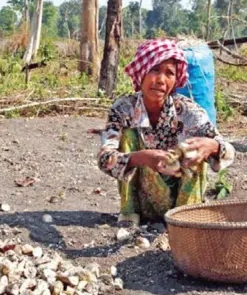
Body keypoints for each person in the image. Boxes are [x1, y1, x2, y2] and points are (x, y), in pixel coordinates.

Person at [97, 39, 235, 226]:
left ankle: (184, 220)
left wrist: (213, 146)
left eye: (169, 73)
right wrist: (142, 158)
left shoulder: (188, 111)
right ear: (142, 72)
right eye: (155, 69)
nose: (161, 80)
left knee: (196, 147)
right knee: (128, 134)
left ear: (175, 80)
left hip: (181, 199)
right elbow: (105, 158)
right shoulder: (123, 109)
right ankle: (129, 214)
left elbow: (229, 150)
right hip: (142, 200)